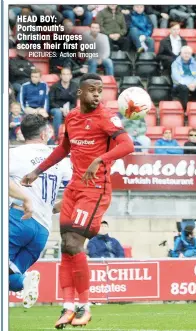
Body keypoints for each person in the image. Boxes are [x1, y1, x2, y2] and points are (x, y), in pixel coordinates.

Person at [21, 73, 135, 328]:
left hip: (95, 189)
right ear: (80, 93)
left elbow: (127, 145)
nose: (97, 94)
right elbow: (63, 149)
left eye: (100, 90)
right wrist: (37, 171)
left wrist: (100, 159)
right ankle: (68, 306)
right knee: (65, 245)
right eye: (92, 90)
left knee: (74, 243)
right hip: (74, 188)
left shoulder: (106, 117)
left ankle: (85, 306)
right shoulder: (72, 117)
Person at [9, 115, 72, 308]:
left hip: (18, 218)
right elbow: (75, 191)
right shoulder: (60, 160)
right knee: (11, 279)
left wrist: (26, 197)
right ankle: (26, 281)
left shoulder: (14, 154)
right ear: (45, 134)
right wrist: (53, 208)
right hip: (43, 230)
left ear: (21, 133)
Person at [171, 46, 196, 110]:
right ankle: (185, 109)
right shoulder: (175, 64)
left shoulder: (194, 63)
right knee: (184, 88)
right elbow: (177, 78)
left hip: (193, 85)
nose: (187, 55)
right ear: (181, 54)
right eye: (185, 53)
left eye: (188, 53)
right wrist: (188, 85)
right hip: (180, 85)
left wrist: (195, 84)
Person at [49, 68, 78, 136]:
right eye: (64, 74)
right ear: (61, 76)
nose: (66, 76)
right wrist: (61, 109)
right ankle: (57, 136)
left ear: (71, 76)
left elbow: (74, 103)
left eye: (68, 74)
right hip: (56, 108)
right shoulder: (54, 86)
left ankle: (73, 136)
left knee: (76, 112)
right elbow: (51, 102)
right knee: (58, 112)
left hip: (69, 108)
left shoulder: (75, 86)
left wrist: (69, 109)